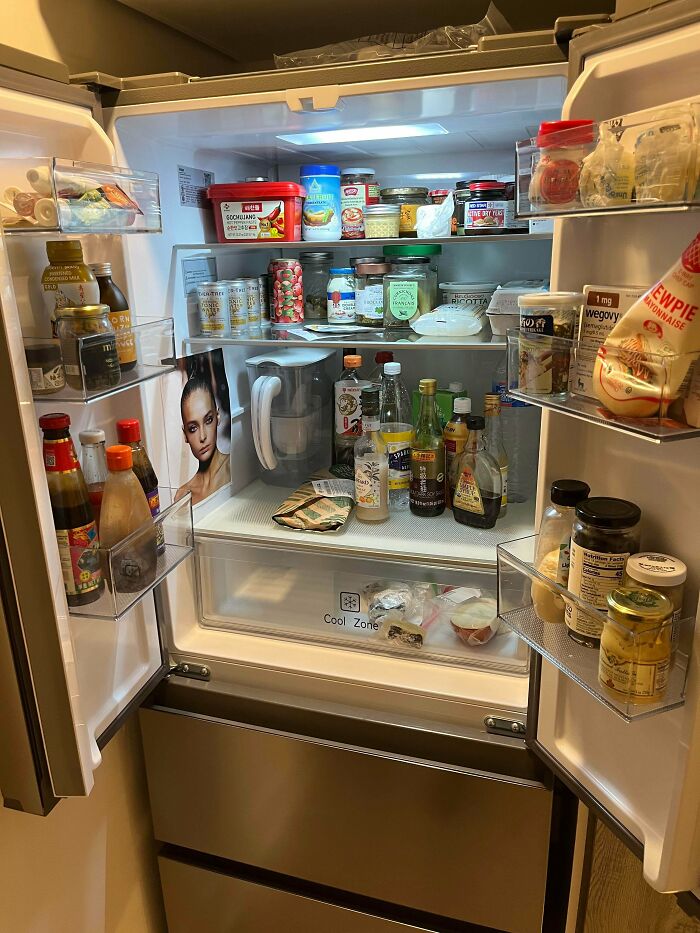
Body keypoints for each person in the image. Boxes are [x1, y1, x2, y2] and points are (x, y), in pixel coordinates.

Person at [175, 376, 231, 505]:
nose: (202, 437)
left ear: (217, 417)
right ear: (185, 435)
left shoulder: (233, 468)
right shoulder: (182, 495)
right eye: (193, 428)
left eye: (208, 420)